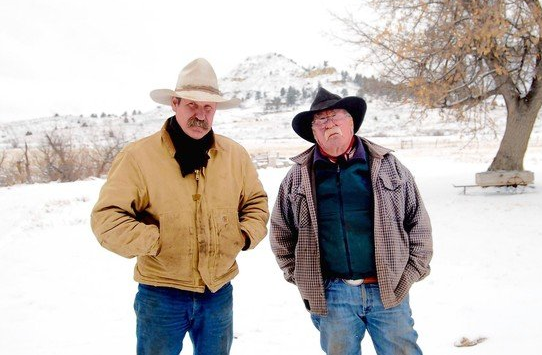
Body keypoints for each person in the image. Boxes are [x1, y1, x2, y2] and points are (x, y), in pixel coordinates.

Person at [91, 58, 269, 355]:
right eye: (192, 105)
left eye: (208, 108)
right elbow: (107, 218)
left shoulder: (235, 155)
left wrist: (243, 235)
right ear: (175, 103)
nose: (200, 115)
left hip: (218, 292)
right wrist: (157, 242)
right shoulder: (138, 157)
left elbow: (256, 204)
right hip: (161, 294)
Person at [270, 87, 432, 355]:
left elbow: (419, 224)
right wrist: (299, 275)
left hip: (388, 289)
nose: (329, 123)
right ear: (313, 132)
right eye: (320, 120)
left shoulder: (388, 166)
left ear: (352, 122)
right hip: (334, 295)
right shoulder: (297, 178)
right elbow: (281, 233)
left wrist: (409, 273)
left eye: (336, 116)